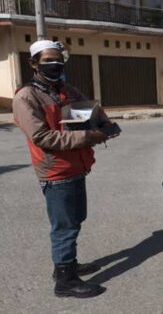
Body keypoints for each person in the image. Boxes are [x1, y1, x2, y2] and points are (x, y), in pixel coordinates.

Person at [12, 40, 116, 298]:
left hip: (77, 167)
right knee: (64, 227)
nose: (55, 64)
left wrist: (105, 123)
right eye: (48, 60)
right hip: (56, 171)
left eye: (58, 59)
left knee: (75, 220)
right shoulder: (26, 97)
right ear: (33, 63)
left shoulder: (67, 90)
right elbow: (44, 138)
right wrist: (92, 136)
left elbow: (92, 113)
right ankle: (65, 282)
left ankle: (68, 265)